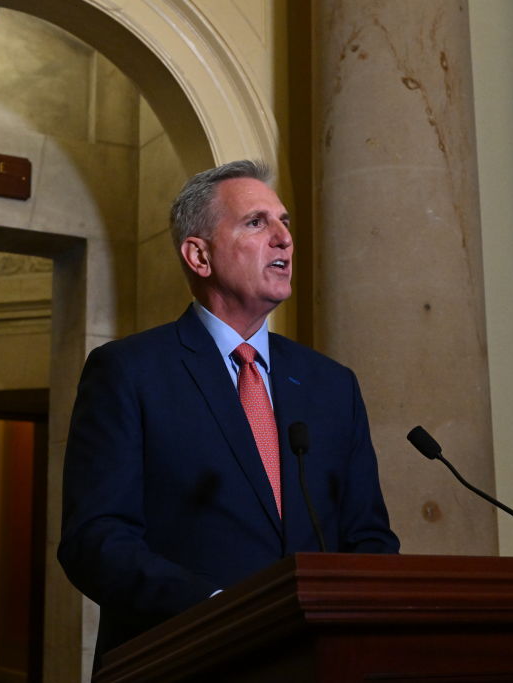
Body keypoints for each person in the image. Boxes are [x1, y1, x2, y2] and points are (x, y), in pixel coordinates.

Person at [57, 160, 399, 665]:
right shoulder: (129, 372)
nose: (283, 238)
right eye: (257, 223)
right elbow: (96, 541)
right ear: (199, 255)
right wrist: (219, 610)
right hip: (187, 658)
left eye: (284, 222)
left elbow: (369, 536)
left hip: (318, 663)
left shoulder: (332, 384)